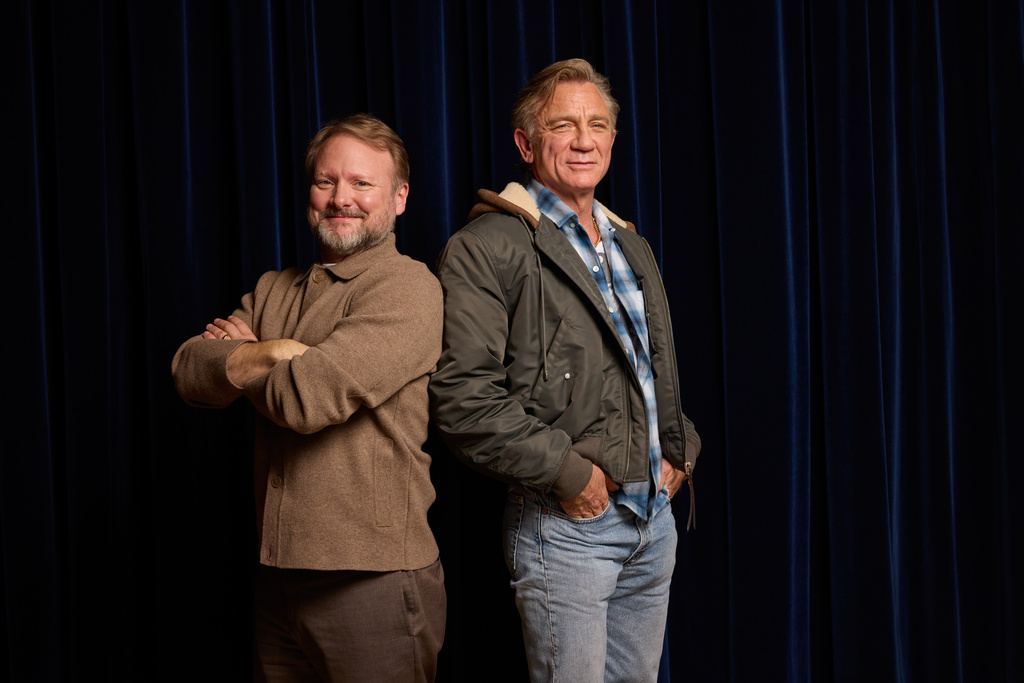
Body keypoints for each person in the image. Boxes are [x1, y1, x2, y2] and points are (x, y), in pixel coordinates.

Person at [429, 58, 701, 682]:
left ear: (612, 140)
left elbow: (649, 369)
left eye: (597, 124)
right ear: (526, 144)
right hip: (568, 525)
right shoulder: (486, 246)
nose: (584, 140)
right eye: (562, 125)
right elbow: (464, 399)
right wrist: (570, 475)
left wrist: (680, 448)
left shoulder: (629, 244)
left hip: (652, 522)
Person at [172, 114, 445, 683]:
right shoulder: (274, 288)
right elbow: (189, 372)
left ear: (399, 198)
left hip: (373, 581)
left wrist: (239, 359)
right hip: (277, 579)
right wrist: (273, 352)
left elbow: (306, 401)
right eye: (326, 181)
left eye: (362, 183)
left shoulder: (408, 288)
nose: (341, 198)